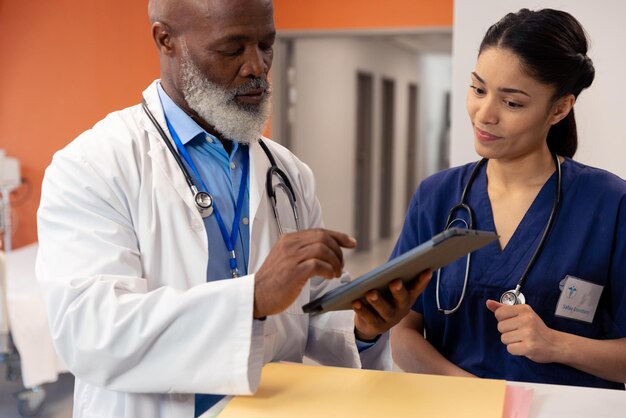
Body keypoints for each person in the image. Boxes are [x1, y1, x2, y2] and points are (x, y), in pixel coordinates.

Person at [35, 0, 431, 417]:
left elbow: (308, 312)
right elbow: (91, 332)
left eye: (266, 45)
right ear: (165, 39)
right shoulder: (93, 166)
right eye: (232, 49)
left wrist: (361, 327)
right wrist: (253, 298)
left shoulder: (289, 173)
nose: (256, 66)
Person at [390, 8, 626, 389]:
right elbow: (402, 331)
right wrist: (473, 395)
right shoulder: (437, 198)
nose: (484, 114)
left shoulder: (610, 204)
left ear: (560, 108)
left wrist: (556, 344)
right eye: (478, 89)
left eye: (512, 103)